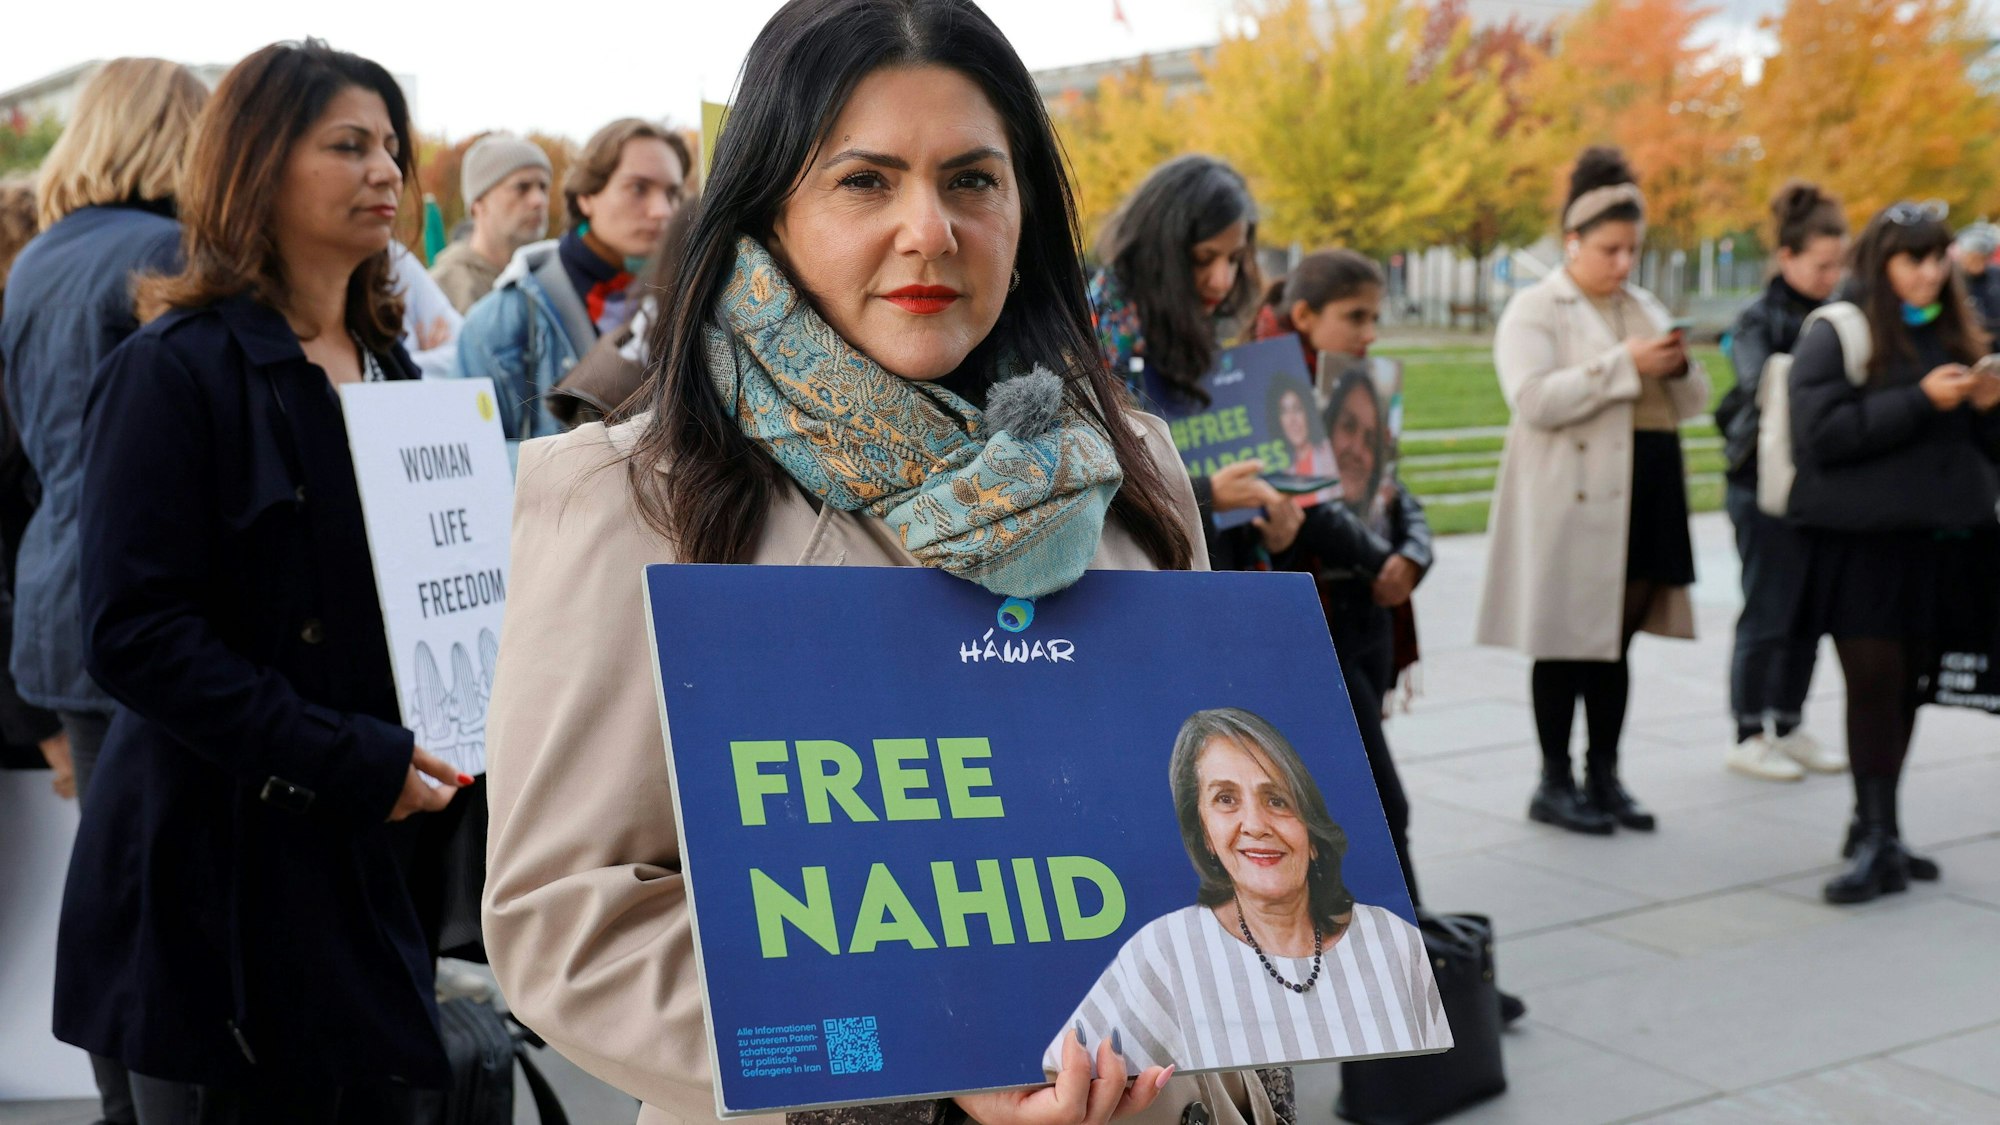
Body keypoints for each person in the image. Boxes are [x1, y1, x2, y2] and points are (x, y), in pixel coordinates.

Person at [480, 3, 1298, 1125]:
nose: (930, 229)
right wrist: (933, 1054)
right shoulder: (628, 496)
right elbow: (572, 923)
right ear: (770, 207)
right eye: (865, 182)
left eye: (971, 180)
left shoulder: (1127, 461)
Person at [55, 41, 466, 1121]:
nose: (385, 171)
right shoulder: (174, 368)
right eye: (347, 145)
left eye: (391, 146)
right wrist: (344, 758)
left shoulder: (399, 371)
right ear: (254, 163)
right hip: (220, 890)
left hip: (374, 864)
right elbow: (135, 633)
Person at [0, 57, 209, 1125]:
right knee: (169, 914)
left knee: (111, 900)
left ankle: (121, 1109)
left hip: (57, 614)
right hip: (151, 616)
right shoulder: (172, 257)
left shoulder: (34, 261)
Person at [1476, 146, 1710, 835]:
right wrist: (1624, 363)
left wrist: (1677, 365)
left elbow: (1693, 400)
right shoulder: (1535, 307)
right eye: (1609, 248)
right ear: (1573, 241)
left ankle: (1604, 775)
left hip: (1646, 485)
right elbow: (1532, 398)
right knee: (1565, 643)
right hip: (1570, 499)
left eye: (1632, 249)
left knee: (1617, 642)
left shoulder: (1643, 303)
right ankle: (1554, 781)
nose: (1622, 263)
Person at [1786, 200, 2000, 904]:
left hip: (1938, 545)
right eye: (1914, 258)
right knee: (1874, 681)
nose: (1931, 272)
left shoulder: (1959, 332)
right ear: (1882, 264)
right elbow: (1821, 434)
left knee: (1908, 683)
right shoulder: (1838, 330)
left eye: (1939, 257)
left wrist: (1988, 406)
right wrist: (1921, 401)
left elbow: (1984, 454)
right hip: (1861, 549)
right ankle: (1875, 834)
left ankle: (1879, 826)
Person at [1046, 707, 1447, 1073]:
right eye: (1225, 799)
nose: (1255, 824)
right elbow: (1057, 1075)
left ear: (1312, 829)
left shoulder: (1393, 941)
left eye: (1277, 800)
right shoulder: (1166, 951)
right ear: (1204, 832)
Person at [1715, 182, 1848, 782]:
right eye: (1821, 264)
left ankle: (1788, 723)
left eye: (1838, 264)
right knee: (1767, 610)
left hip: (1821, 486)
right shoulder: (1757, 318)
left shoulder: (1839, 312)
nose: (1832, 275)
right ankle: (1748, 730)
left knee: (1809, 613)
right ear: (1787, 258)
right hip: (1760, 483)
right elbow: (1758, 384)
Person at [1090, 154, 1288, 539]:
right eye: (1203, 259)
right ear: (1159, 251)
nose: (1222, 281)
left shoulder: (1196, 332)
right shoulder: (1094, 337)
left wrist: (1274, 529)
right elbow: (1088, 492)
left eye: (1235, 259)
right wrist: (1207, 494)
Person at [455, 119, 688, 440]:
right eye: (638, 188)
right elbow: (480, 460)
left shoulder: (685, 299)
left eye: (673, 193)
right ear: (586, 197)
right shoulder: (497, 322)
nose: (663, 210)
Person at [428, 133, 552, 313]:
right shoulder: (443, 290)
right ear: (478, 203)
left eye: (543, 187)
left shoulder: (552, 278)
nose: (538, 200)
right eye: (521, 187)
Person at [1951, 221, 2000, 340]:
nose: (1978, 264)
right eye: (1973, 258)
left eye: (1983, 258)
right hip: (1969, 342)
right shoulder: (1953, 280)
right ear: (1963, 255)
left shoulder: (1996, 274)